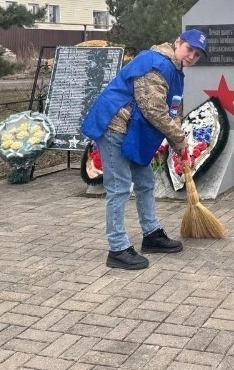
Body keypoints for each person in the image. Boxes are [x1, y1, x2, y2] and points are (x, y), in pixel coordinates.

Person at [81, 29, 208, 270]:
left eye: (197, 54)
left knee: (145, 182)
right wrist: (179, 139)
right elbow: (153, 109)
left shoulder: (175, 70)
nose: (192, 56)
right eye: (189, 49)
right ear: (178, 42)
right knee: (119, 187)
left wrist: (177, 142)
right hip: (115, 125)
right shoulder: (155, 64)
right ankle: (117, 249)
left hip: (133, 131)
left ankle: (151, 235)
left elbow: (172, 109)